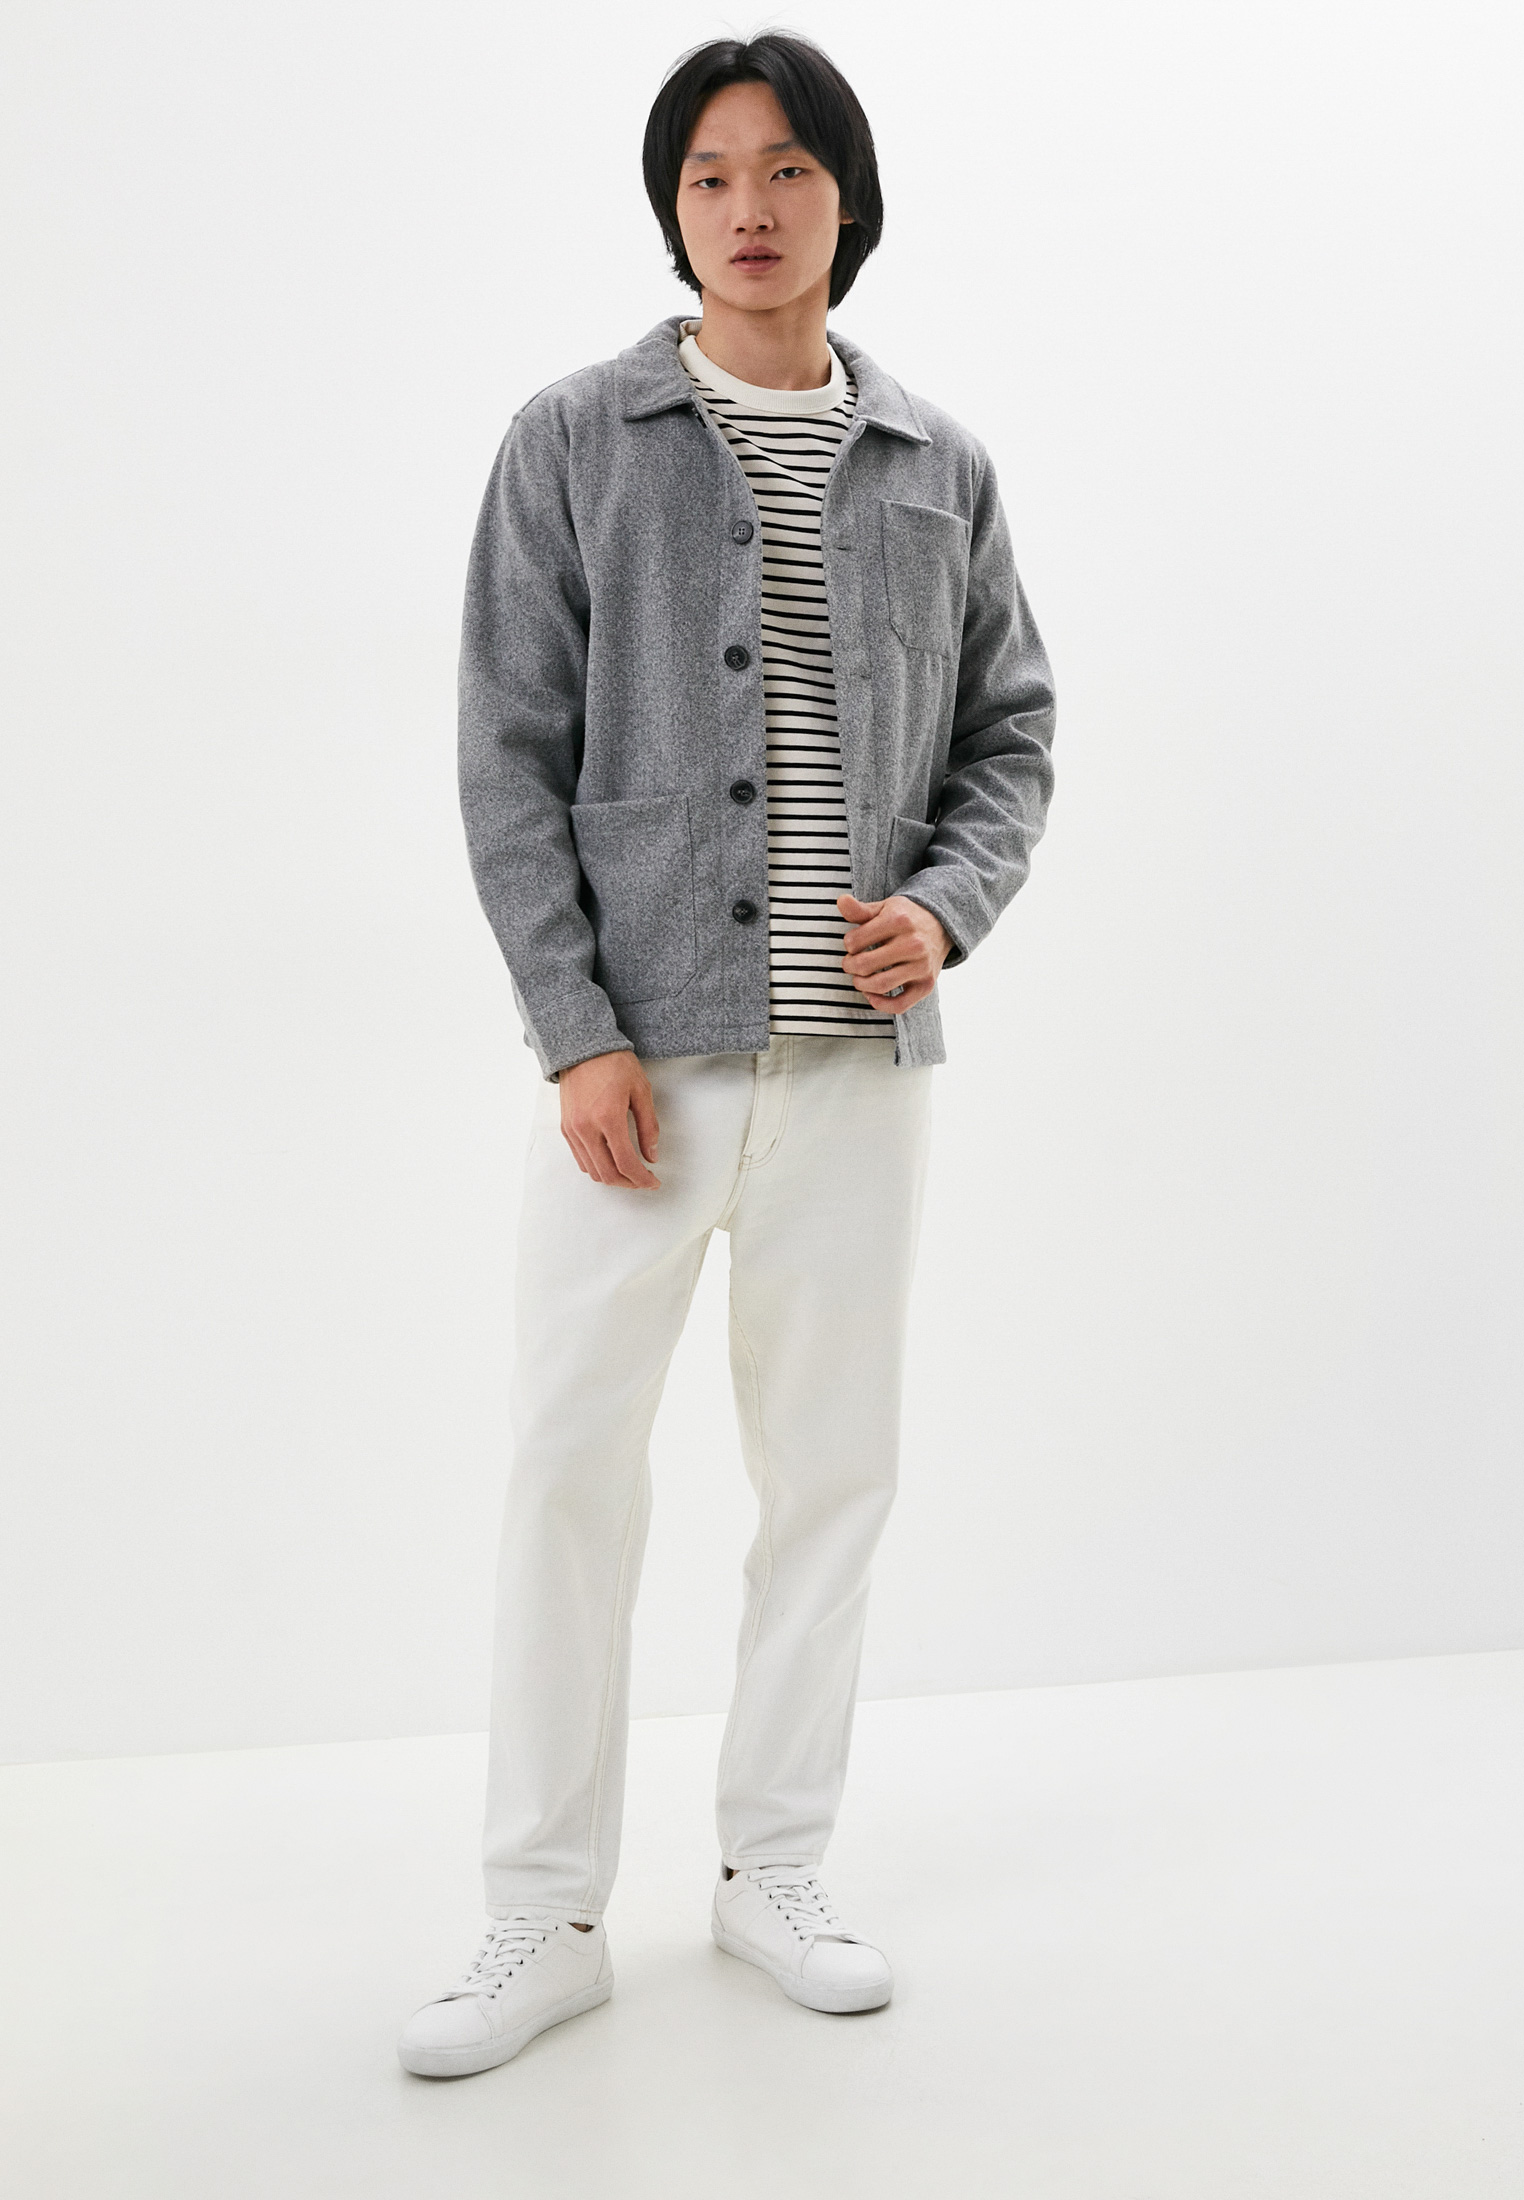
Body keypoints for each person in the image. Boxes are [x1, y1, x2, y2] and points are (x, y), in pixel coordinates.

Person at [397, 30, 1055, 2079]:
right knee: (569, 1471)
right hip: (639, 1074)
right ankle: (540, 1909)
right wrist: (574, 1031)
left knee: (830, 1475)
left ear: (847, 198)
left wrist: (946, 905)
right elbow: (506, 752)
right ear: (671, 210)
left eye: (785, 170)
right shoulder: (572, 439)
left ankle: (778, 1867)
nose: (747, 207)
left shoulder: (939, 466)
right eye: (707, 175)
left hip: (859, 1069)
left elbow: (1013, 733)